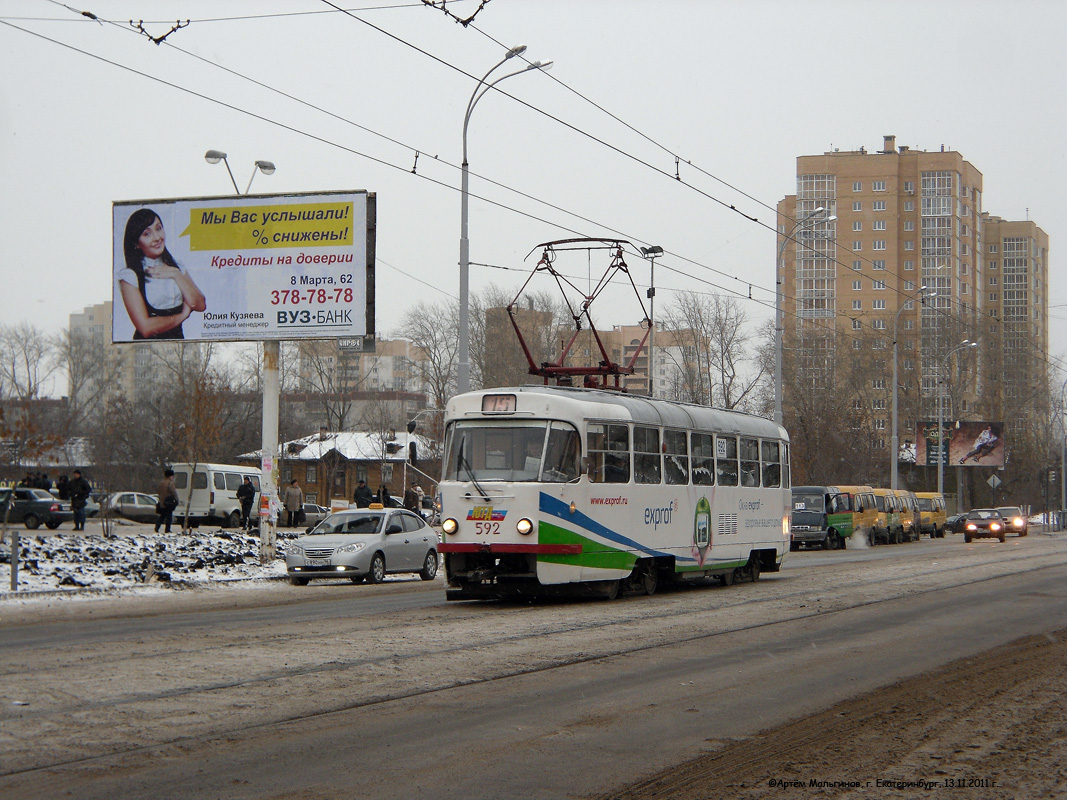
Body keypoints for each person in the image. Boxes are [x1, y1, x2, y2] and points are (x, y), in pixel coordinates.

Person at [118, 208, 206, 340]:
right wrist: (182, 315)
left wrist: (175, 275)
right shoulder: (130, 276)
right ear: (136, 244)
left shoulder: (176, 266)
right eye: (147, 234)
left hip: (178, 346)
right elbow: (146, 328)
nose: (157, 238)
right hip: (146, 348)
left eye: (158, 229)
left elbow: (200, 305)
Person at [155, 468, 179, 533]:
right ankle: (167, 529)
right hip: (168, 503)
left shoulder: (161, 483)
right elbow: (174, 492)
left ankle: (157, 527)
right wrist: (176, 500)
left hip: (162, 502)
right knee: (169, 517)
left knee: (162, 516)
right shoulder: (170, 483)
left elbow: (158, 492)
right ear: (170, 476)